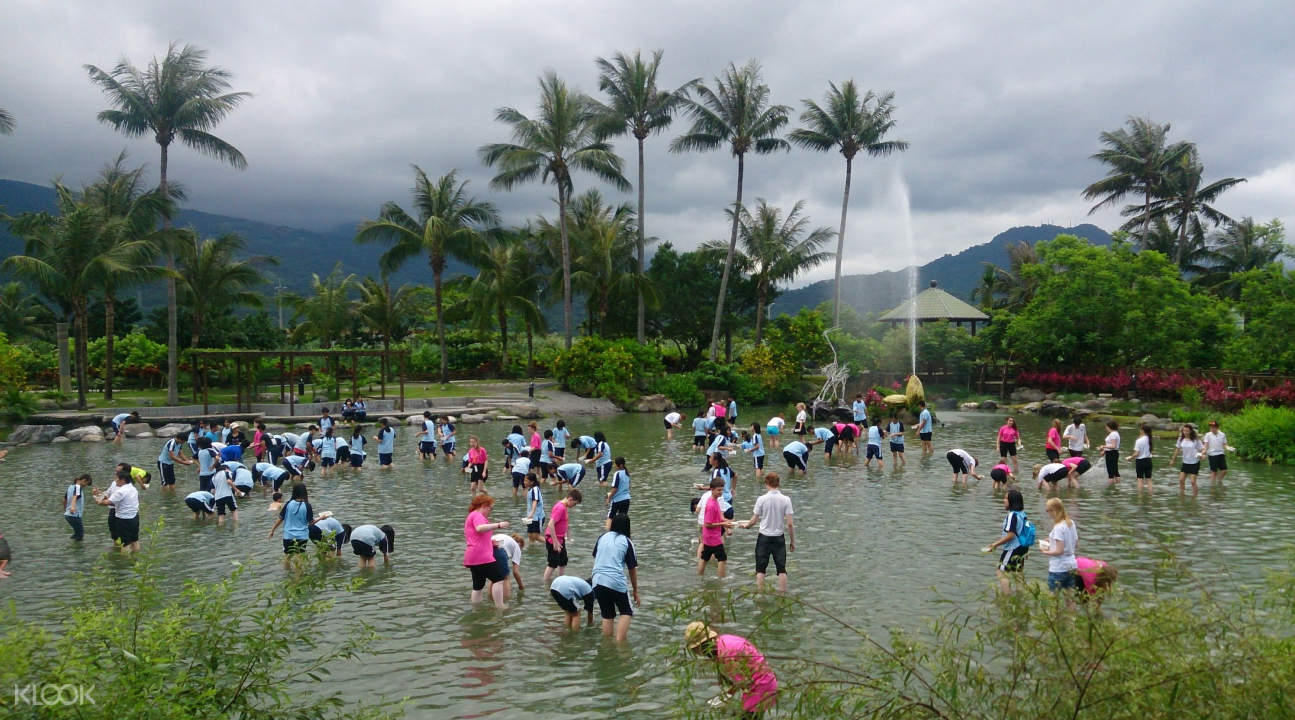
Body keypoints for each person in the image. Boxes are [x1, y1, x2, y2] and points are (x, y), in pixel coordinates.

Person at [683, 622, 779, 716]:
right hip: (765, 679)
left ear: (701, 647)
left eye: (695, 649)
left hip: (761, 687)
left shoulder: (726, 655)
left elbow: (744, 681)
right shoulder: (723, 640)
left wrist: (726, 696)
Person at [739, 472, 794, 592]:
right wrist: (792, 541)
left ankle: (760, 594)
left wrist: (746, 526)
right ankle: (783, 595)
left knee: (760, 569)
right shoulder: (786, 499)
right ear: (778, 483)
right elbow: (789, 523)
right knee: (781, 569)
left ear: (767, 483)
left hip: (764, 537)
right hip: (779, 537)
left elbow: (754, 520)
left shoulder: (762, 499)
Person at [592, 513, 640, 642]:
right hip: (615, 581)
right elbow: (632, 569)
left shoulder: (602, 537)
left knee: (607, 616)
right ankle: (620, 644)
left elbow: (597, 557)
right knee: (626, 612)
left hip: (597, 581)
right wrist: (635, 590)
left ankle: (607, 645)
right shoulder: (627, 541)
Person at [464, 495, 510, 607]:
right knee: (498, 580)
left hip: (472, 557)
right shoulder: (477, 515)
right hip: (482, 556)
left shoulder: (472, 515)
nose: (490, 511)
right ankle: (500, 606)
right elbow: (479, 528)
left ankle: (476, 608)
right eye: (490, 508)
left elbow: (477, 536)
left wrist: (491, 543)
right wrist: (498, 525)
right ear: (484, 506)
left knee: (478, 586)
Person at [984, 489, 1030, 594]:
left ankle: (1006, 599)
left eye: (1006, 498)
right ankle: (1021, 597)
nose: (1003, 501)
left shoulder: (1012, 515)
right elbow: (1026, 532)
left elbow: (1011, 535)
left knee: (1001, 572)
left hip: (1012, 548)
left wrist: (994, 544)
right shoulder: (1023, 514)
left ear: (1012, 501)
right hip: (1022, 548)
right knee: (1018, 573)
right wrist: (1026, 550)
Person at [1040, 497, 1079, 606]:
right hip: (1072, 566)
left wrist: (1045, 552)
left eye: (1048, 510)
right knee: (1070, 599)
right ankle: (1072, 622)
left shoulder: (1058, 527)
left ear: (1054, 510)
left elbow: (1059, 551)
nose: (1048, 513)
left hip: (1058, 568)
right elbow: (1076, 544)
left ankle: (1053, 620)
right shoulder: (1070, 523)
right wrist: (1051, 540)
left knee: (1052, 600)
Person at [543, 489, 582, 584]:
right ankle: (545, 583)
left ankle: (561, 581)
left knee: (563, 561)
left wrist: (569, 536)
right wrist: (555, 542)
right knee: (553, 563)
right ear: (570, 499)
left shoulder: (564, 507)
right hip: (553, 540)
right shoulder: (560, 508)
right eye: (575, 504)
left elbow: (565, 522)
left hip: (560, 539)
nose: (574, 506)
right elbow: (551, 524)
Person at [96, 469, 140, 553]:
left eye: (116, 479)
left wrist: (98, 501)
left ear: (122, 480)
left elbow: (107, 502)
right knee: (135, 540)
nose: (115, 481)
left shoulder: (121, 491)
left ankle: (124, 563)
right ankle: (136, 558)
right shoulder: (133, 488)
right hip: (134, 517)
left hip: (124, 520)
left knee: (124, 544)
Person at [698, 479, 734, 578]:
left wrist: (727, 522)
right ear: (712, 490)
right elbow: (708, 524)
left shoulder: (715, 500)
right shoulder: (711, 505)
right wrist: (723, 523)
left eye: (722, 490)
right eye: (718, 490)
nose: (721, 492)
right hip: (713, 537)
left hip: (710, 536)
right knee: (722, 558)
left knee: (705, 557)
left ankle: (700, 576)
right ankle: (721, 579)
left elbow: (720, 517)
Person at [267, 483, 313, 559]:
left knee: (287, 557)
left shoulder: (288, 504)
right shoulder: (307, 505)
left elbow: (280, 518)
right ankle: (298, 571)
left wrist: (272, 530)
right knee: (300, 557)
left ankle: (287, 570)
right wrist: (321, 518)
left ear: (294, 492)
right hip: (302, 536)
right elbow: (311, 522)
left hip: (288, 535)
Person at [1170, 423, 1205, 493]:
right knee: (1181, 480)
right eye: (1184, 431)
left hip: (1194, 462)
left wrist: (1202, 455)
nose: (1185, 432)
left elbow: (1202, 449)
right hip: (1185, 462)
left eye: (1187, 431)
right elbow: (1177, 449)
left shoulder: (1195, 440)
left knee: (1192, 482)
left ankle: (1195, 497)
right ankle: (1182, 495)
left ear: (1191, 431)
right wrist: (1173, 460)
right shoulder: (1181, 439)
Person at [491, 532, 525, 599]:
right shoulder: (517, 547)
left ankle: (490, 598)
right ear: (521, 545)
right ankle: (505, 600)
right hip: (498, 550)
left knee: (492, 578)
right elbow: (515, 572)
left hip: (485, 548)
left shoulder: (506, 539)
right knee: (506, 578)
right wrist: (521, 586)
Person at [603, 456, 631, 528]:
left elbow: (615, 489)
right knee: (623, 519)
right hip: (626, 499)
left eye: (615, 464)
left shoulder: (617, 474)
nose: (614, 465)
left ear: (620, 465)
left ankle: (608, 535)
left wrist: (609, 498)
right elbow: (628, 487)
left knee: (610, 517)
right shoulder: (627, 473)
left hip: (617, 500)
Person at [63, 474, 92, 540]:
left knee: (76, 534)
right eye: (87, 484)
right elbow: (75, 496)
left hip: (67, 515)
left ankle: (72, 546)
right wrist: (73, 507)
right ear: (84, 480)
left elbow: (64, 500)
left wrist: (65, 510)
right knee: (80, 535)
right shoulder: (78, 487)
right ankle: (77, 549)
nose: (85, 486)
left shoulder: (70, 487)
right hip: (74, 515)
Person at [1127, 423, 1155, 493]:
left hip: (1140, 462)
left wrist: (1130, 458)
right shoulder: (1149, 439)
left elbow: (1137, 453)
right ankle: (1150, 496)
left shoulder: (1139, 441)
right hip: (1148, 461)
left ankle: (1140, 496)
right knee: (1149, 480)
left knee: (1140, 479)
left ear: (1142, 431)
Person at [523, 473, 545, 543]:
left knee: (536, 536)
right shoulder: (530, 489)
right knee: (530, 535)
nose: (524, 482)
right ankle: (532, 551)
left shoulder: (535, 489)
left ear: (532, 482)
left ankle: (551, 543)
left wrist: (531, 513)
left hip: (537, 517)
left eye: (526, 481)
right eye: (524, 480)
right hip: (531, 517)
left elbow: (535, 501)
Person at [1097, 419, 1122, 484]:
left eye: (1106, 426)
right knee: (1115, 471)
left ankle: (1111, 489)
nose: (1106, 428)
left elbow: (1113, 446)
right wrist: (1104, 451)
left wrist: (1103, 446)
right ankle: (1117, 486)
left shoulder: (1113, 434)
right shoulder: (1115, 433)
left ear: (1109, 426)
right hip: (1113, 453)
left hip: (1111, 454)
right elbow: (1110, 445)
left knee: (1111, 472)